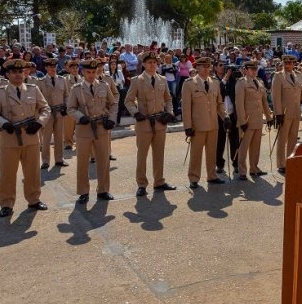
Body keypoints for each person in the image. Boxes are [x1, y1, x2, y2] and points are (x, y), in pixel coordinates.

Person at [0, 59, 51, 217]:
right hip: (9, 139)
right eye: (14, 72)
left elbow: (45, 108)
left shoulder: (33, 89)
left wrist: (39, 123)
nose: (18, 75)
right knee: (8, 173)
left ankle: (34, 199)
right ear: (7, 74)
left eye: (20, 72)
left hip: (31, 137)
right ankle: (6, 203)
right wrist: (3, 124)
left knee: (32, 172)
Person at [125, 51, 176, 196]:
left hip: (160, 121)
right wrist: (135, 113)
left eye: (154, 62)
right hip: (144, 122)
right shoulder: (137, 80)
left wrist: (170, 112)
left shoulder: (162, 79)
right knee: (142, 155)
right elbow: (128, 101)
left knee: (159, 154)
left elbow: (168, 99)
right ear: (144, 64)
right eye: (149, 62)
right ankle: (142, 184)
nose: (152, 65)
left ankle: (159, 181)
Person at [67, 59, 118, 203]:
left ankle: (103, 190)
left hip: (101, 127)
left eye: (93, 72)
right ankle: (83, 192)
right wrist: (80, 116)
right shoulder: (76, 89)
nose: (91, 75)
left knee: (103, 160)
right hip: (84, 129)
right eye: (88, 72)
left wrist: (112, 119)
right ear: (83, 72)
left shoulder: (104, 85)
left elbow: (113, 103)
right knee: (83, 161)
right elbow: (70, 108)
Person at [181, 57, 230, 189]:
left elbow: (219, 103)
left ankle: (212, 175)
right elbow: (186, 108)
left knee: (212, 152)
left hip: (213, 124)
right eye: (203, 66)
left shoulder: (215, 82)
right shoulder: (189, 83)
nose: (206, 69)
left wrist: (225, 117)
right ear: (197, 68)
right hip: (198, 126)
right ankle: (193, 177)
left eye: (208, 66)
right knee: (196, 153)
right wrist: (188, 126)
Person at [271, 55, 302, 174]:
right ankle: (281, 164)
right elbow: (275, 97)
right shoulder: (278, 76)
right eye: (286, 63)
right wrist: (278, 113)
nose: (288, 65)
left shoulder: (299, 75)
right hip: (284, 113)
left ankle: (289, 161)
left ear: (294, 63)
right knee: (282, 139)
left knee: (293, 139)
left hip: (295, 112)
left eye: (290, 63)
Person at [234, 61, 274, 180]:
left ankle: (254, 168)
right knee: (244, 147)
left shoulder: (260, 82)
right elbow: (239, 104)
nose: (254, 71)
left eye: (255, 69)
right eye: (251, 69)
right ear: (245, 70)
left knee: (256, 146)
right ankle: (242, 170)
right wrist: (242, 121)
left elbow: (264, 102)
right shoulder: (241, 83)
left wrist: (268, 117)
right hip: (246, 121)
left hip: (257, 120)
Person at [37, 58, 70, 169]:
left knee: (59, 137)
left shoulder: (62, 80)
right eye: (50, 67)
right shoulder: (41, 81)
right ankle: (45, 161)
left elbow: (66, 95)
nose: (53, 68)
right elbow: (38, 99)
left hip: (59, 112)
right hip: (47, 113)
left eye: (54, 66)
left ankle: (59, 159)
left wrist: (66, 106)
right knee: (46, 138)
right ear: (46, 68)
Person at [63, 59, 82, 150]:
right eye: (73, 68)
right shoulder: (65, 79)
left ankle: (79, 142)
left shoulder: (82, 79)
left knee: (80, 125)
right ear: (69, 69)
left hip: (81, 106)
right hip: (69, 105)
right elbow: (63, 93)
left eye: (76, 68)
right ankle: (68, 142)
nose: (75, 69)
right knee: (69, 126)